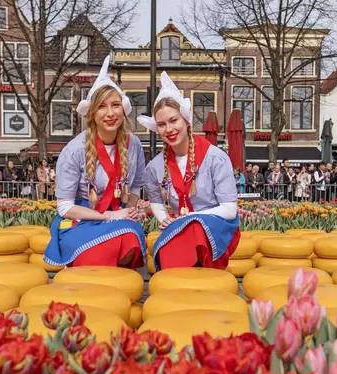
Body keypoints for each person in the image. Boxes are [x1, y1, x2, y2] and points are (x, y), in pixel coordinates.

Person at [43, 56, 146, 269]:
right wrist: (109, 215)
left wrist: (131, 209)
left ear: (123, 108)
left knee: (131, 237)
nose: (110, 113)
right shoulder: (73, 150)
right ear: (92, 113)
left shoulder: (134, 144)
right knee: (98, 250)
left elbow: (135, 186)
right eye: (102, 107)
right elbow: (65, 207)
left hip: (118, 216)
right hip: (82, 221)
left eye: (115, 105)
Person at [138, 71, 240, 271]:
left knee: (196, 230)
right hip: (181, 226)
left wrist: (189, 218)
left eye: (173, 120)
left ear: (186, 120)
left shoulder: (215, 158)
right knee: (174, 246)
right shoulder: (154, 167)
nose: (169, 129)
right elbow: (156, 201)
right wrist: (164, 218)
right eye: (162, 124)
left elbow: (229, 210)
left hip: (216, 227)